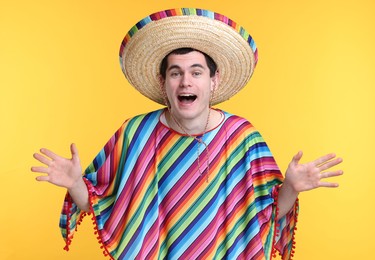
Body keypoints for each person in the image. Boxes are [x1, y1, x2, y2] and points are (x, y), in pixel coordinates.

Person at [31, 8, 343, 260]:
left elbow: (268, 213)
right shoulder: (135, 133)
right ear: (163, 81)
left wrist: (291, 187)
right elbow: (97, 204)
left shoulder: (241, 138)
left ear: (213, 81)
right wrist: (74, 183)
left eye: (196, 72)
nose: (185, 82)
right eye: (176, 73)